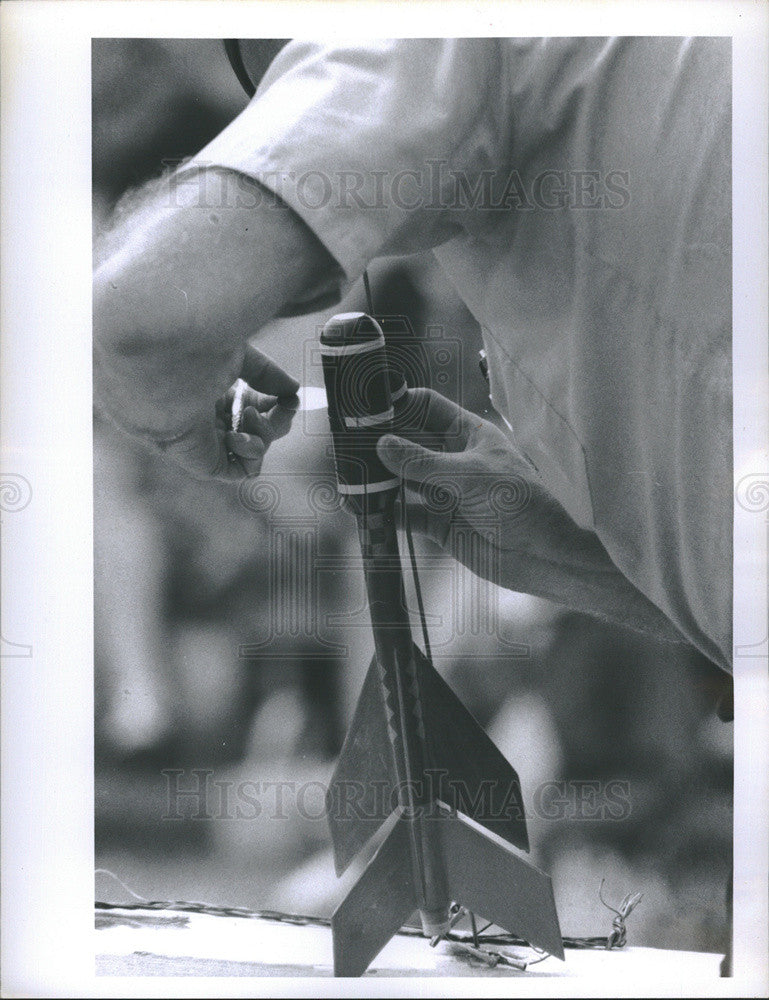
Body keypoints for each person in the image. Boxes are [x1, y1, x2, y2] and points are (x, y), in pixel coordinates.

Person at [93, 37, 732, 688]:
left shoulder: (417, 36)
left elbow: (135, 328)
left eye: (289, 95)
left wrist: (190, 435)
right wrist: (573, 555)